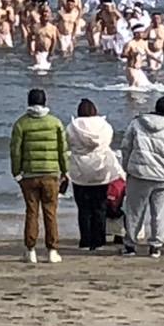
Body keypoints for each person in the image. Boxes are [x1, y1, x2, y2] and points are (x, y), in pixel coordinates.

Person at [119, 94, 164, 258]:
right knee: (160, 212)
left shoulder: (137, 123)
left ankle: (130, 244)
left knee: (134, 210)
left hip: (138, 173)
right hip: (162, 175)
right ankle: (156, 245)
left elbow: (126, 147)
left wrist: (127, 166)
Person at [9, 87, 69, 264]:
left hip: (29, 175)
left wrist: (16, 172)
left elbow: (15, 151)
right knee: (50, 212)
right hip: (51, 174)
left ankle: (30, 250)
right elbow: (62, 150)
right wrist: (65, 171)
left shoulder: (21, 123)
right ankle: (52, 250)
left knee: (31, 212)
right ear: (45, 102)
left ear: (29, 102)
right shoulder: (55, 123)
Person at [65, 99, 123, 252]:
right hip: (101, 169)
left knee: (83, 208)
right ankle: (99, 241)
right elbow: (108, 143)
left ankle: (85, 240)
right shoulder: (105, 127)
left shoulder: (72, 127)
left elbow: (68, 144)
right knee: (100, 207)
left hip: (79, 171)